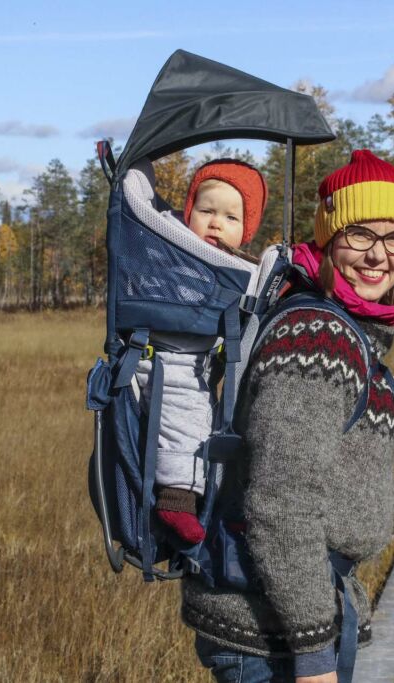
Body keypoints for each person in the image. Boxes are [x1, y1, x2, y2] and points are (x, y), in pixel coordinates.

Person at [180, 150, 394, 683]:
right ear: (329, 239)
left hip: (293, 618)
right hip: (273, 640)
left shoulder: (343, 327)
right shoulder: (319, 336)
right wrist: (314, 655)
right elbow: (282, 502)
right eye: (359, 234)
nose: (378, 255)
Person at [134, 158, 268, 545]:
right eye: (206, 211)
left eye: (230, 218)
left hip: (196, 359)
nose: (215, 223)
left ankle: (217, 499)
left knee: (218, 423)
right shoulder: (174, 242)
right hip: (164, 356)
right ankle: (176, 497)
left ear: (246, 230)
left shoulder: (232, 263)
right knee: (186, 415)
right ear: (189, 211)